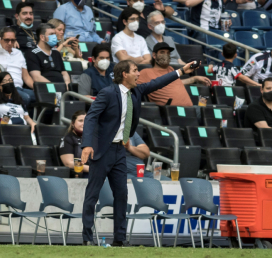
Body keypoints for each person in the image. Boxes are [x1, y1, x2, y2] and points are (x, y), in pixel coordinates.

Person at [80, 60, 198, 246]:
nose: (138, 74)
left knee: (121, 195)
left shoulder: (137, 91)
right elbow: (91, 117)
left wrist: (182, 71)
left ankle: (120, 239)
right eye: (135, 71)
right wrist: (87, 145)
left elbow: (158, 82)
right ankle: (87, 238)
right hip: (103, 150)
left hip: (120, 150)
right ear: (124, 74)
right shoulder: (108, 93)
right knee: (92, 195)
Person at [0, 27, 36, 107]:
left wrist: (37, 88)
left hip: (19, 88)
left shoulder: (18, 53)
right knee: (25, 98)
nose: (10, 43)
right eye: (7, 40)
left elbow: (26, 77)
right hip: (4, 88)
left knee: (40, 96)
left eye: (13, 40)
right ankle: (23, 118)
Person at [137, 42, 210, 106]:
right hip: (170, 112)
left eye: (168, 53)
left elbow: (177, 83)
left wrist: (195, 78)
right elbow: (134, 88)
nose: (165, 55)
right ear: (154, 55)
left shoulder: (170, 69)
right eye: (162, 52)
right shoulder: (145, 72)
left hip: (192, 110)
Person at [59, 110, 89, 178]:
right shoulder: (68, 139)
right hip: (81, 174)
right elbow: (68, 163)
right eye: (80, 121)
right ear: (73, 123)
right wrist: (91, 169)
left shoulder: (92, 138)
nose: (84, 123)